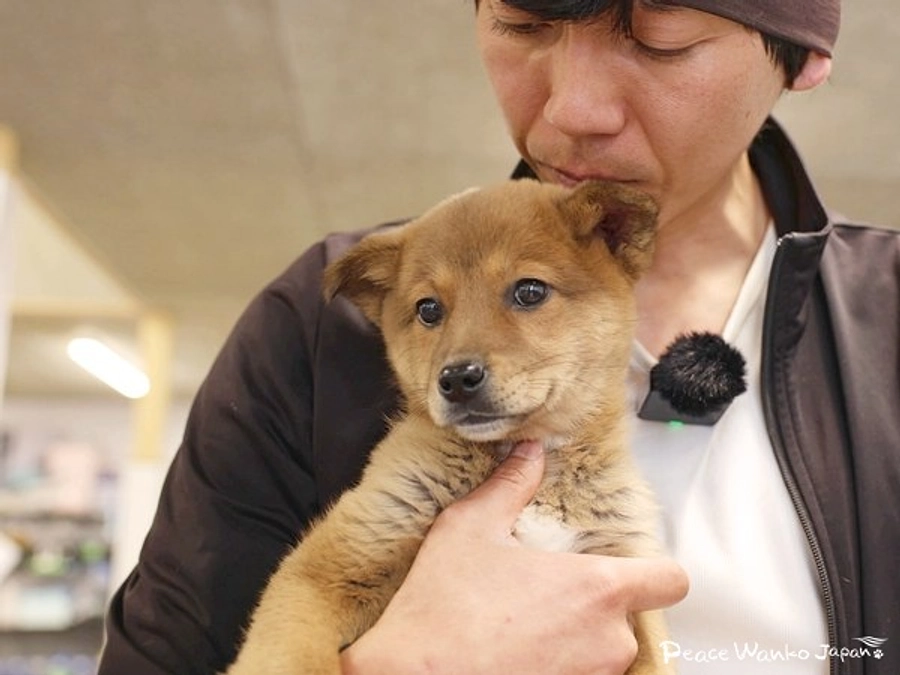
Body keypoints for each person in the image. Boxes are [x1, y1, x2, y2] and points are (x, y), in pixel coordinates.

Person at [98, 1, 900, 673]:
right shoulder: (319, 326)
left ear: (803, 54)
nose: (573, 110)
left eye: (661, 38)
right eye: (522, 23)